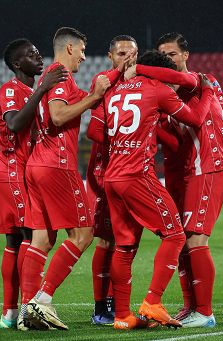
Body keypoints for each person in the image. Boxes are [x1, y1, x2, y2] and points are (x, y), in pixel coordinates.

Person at [87, 50, 215, 330]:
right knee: (175, 235)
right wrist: (207, 93)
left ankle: (121, 315)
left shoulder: (115, 91)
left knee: (124, 245)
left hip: (113, 177)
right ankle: (152, 301)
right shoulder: (156, 89)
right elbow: (195, 119)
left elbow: (96, 131)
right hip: (137, 175)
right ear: (160, 73)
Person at [125, 32, 223, 328]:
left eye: (172, 54)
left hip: (204, 169)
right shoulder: (163, 93)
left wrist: (137, 69)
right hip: (180, 173)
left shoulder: (199, 81)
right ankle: (190, 306)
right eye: (163, 55)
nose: (168, 60)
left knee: (196, 239)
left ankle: (206, 312)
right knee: (181, 240)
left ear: (185, 55)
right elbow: (173, 142)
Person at [18, 27, 120, 331]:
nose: (85, 57)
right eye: (83, 50)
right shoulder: (60, 73)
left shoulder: (58, 75)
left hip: (38, 165)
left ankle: (27, 312)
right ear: (71, 47)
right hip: (57, 166)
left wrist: (114, 75)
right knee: (83, 234)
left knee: (42, 239)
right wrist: (95, 96)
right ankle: (43, 299)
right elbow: (58, 116)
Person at [0, 38, 67, 329]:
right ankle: (26, 309)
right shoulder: (12, 89)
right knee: (30, 236)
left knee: (15, 240)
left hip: (16, 167)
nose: (38, 56)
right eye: (31, 54)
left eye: (37, 51)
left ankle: (9, 313)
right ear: (17, 64)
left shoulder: (29, 90)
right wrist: (44, 88)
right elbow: (14, 124)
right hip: (10, 166)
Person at [87, 34, 138, 326]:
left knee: (126, 240)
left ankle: (117, 303)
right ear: (110, 56)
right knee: (106, 240)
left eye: (132, 54)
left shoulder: (141, 82)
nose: (128, 59)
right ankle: (101, 305)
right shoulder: (105, 81)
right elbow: (94, 133)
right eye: (121, 54)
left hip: (132, 171)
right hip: (107, 170)